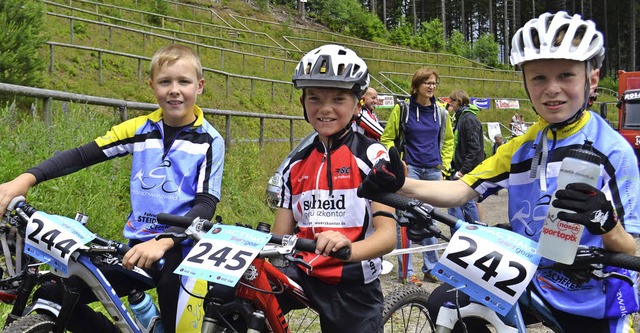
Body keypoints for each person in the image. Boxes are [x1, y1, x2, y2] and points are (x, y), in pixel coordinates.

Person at [359, 11, 640, 333]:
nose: (552, 89)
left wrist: (605, 223)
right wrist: (400, 184)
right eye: (538, 78)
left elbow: (628, 248)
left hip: (593, 291)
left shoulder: (614, 151)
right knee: (448, 303)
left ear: (591, 80)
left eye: (566, 76)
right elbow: (461, 190)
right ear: (525, 82)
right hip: (535, 276)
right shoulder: (521, 146)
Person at [0, 44, 225, 333]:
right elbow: (82, 155)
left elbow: (206, 204)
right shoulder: (139, 129)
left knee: (174, 315)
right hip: (134, 247)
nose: (174, 90)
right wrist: (26, 178)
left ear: (200, 86)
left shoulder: (209, 140)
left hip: (181, 250)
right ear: (152, 86)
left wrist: (165, 241)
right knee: (56, 294)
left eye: (184, 81)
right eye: (165, 81)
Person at [272, 44, 397, 332]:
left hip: (352, 282)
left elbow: (388, 237)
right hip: (302, 274)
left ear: (357, 103)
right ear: (303, 102)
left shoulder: (372, 156)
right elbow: (278, 238)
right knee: (236, 296)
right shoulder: (295, 165)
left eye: (338, 99)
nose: (325, 109)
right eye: (314, 98)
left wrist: (348, 248)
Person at [379, 67, 454, 285]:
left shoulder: (441, 112)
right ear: (416, 85)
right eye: (427, 83)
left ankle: (432, 269)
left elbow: (448, 141)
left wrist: (444, 166)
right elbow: (387, 138)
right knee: (406, 220)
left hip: (433, 170)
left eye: (434, 83)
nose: (431, 87)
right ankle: (407, 271)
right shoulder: (402, 109)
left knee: (431, 219)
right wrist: (397, 163)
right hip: (409, 170)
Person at [447, 89, 484, 226]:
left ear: (459, 101)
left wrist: (463, 170)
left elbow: (475, 148)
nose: (450, 104)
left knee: (465, 203)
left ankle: (473, 232)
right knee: (456, 202)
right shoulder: (461, 117)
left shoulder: (469, 119)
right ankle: (465, 231)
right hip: (460, 167)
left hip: (467, 169)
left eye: (452, 101)